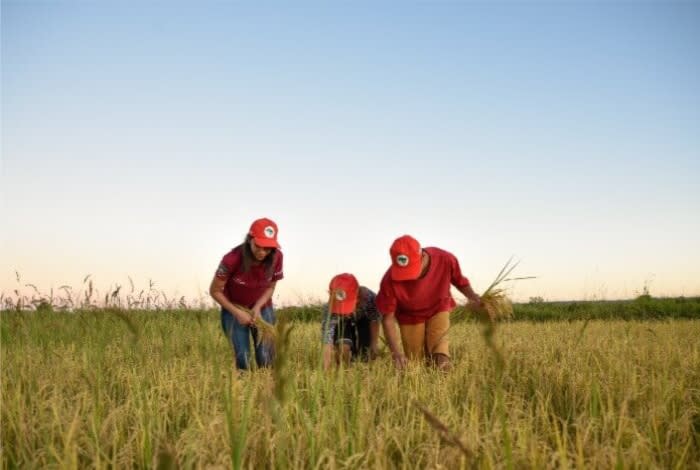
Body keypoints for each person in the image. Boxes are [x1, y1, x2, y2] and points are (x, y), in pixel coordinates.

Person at [376, 235, 482, 370]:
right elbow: (388, 319)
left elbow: (459, 281)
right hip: (409, 317)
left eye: (411, 271)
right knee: (415, 366)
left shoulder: (445, 259)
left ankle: (444, 384)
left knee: (440, 358)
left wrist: (472, 297)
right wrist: (396, 354)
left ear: (423, 257)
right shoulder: (389, 280)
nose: (408, 279)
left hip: (438, 308)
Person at [209, 217, 283, 370]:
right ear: (250, 239)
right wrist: (237, 313)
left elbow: (270, 287)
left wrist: (257, 307)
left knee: (266, 357)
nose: (262, 252)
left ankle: (267, 388)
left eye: (267, 248)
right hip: (235, 309)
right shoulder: (231, 259)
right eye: (258, 246)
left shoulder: (277, 258)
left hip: (262, 308)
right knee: (243, 359)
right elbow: (215, 291)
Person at [321, 273, 381, 370]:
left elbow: (374, 320)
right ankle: (346, 370)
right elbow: (327, 342)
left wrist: (374, 343)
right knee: (343, 349)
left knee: (365, 353)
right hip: (342, 322)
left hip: (364, 320)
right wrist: (325, 371)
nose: (346, 313)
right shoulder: (329, 309)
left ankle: (363, 368)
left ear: (358, 296)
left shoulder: (370, 298)